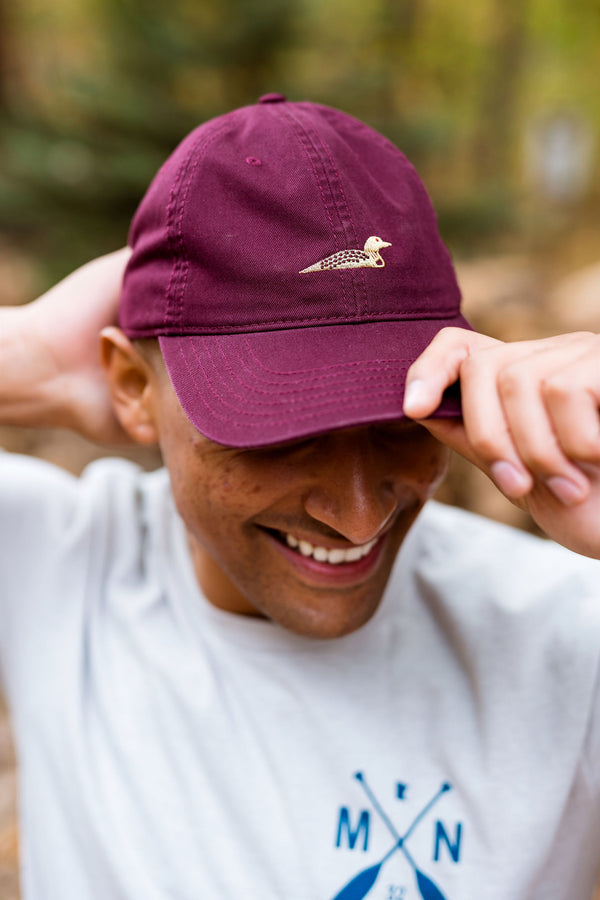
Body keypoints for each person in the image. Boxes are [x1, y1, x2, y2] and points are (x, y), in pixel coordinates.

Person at [0, 95, 599, 900]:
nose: (356, 514)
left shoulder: (564, 631)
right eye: (278, 435)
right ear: (130, 386)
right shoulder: (55, 563)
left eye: (403, 422)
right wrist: (27, 353)